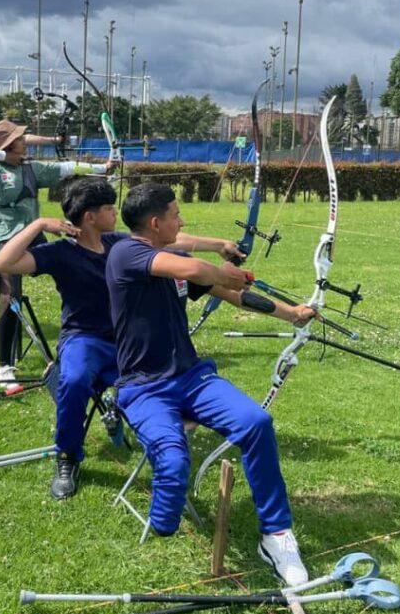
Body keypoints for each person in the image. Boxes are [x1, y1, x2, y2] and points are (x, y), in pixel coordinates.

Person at [106, 183, 310, 587]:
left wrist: (293, 314)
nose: (181, 222)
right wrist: (222, 267)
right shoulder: (126, 253)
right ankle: (163, 526)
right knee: (173, 459)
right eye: (175, 214)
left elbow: (235, 295)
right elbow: (199, 271)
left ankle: (276, 534)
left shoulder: (171, 259)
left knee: (256, 423)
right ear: (155, 223)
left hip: (192, 378)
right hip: (142, 387)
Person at [0, 177, 248, 499]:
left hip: (125, 341)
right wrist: (40, 223)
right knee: (73, 381)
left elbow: (171, 241)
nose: (116, 213)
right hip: (83, 339)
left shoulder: (118, 243)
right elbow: (2, 262)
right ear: (90, 217)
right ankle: (68, 456)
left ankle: (160, 450)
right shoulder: (59, 253)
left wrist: (217, 245)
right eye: (109, 208)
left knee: (154, 383)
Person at [0, 120, 113, 386]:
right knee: (11, 296)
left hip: (34, 236)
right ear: (8, 145)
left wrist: (103, 168)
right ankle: (4, 365)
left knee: (79, 260)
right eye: (20, 139)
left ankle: (93, 336)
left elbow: (67, 168)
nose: (25, 141)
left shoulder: (31, 168)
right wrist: (3, 155)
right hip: (6, 239)